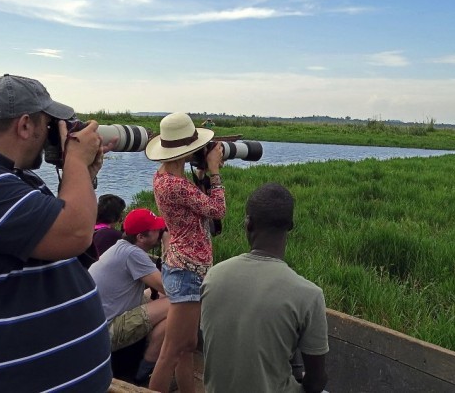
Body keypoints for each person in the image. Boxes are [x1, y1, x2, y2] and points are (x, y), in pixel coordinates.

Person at [0, 74, 114, 391]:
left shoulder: (7, 179)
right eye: (50, 123)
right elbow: (75, 234)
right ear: (26, 125)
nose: (55, 133)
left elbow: (58, 243)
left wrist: (84, 177)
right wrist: (76, 163)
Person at [201, 183, 329, 393]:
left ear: (248, 224)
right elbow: (316, 381)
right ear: (290, 226)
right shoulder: (309, 295)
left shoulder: (214, 276)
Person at [144, 112, 227, 393]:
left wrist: (201, 174)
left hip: (183, 266)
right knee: (171, 350)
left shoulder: (164, 177)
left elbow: (196, 208)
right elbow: (217, 210)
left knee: (187, 347)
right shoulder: (175, 185)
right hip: (187, 270)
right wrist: (214, 172)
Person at [89, 208, 170, 385]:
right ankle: (144, 374)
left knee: (160, 307)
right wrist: (168, 243)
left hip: (95, 327)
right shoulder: (133, 254)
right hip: (107, 332)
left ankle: (146, 366)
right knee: (176, 304)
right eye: (157, 230)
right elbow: (172, 289)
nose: (161, 231)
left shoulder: (121, 247)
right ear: (141, 237)